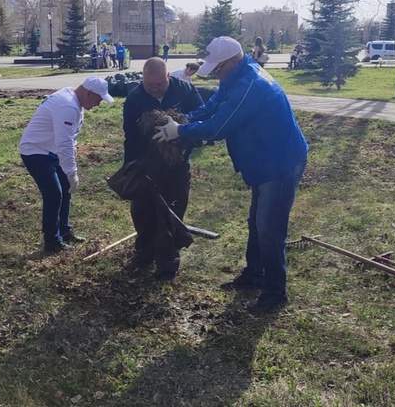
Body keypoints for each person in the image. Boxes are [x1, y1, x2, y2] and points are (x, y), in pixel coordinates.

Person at [154, 36, 308, 313]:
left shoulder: (251, 85)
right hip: (262, 161)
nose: (215, 73)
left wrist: (180, 131)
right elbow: (213, 107)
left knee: (269, 229)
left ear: (233, 60)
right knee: (256, 222)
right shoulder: (234, 77)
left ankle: (275, 293)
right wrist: (186, 119)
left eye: (218, 68)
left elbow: (218, 126)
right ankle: (254, 275)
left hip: (280, 162)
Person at [123, 57, 203, 282]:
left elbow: (202, 116)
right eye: (149, 84)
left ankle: (167, 265)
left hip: (176, 164)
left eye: (159, 83)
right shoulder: (135, 98)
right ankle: (144, 253)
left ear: (169, 77)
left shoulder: (185, 90)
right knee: (143, 211)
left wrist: (186, 138)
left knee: (172, 213)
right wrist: (132, 166)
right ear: (143, 79)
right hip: (146, 162)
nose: (154, 88)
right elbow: (130, 135)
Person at [20, 76, 114, 252]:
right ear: (88, 93)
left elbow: (71, 139)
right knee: (54, 195)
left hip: (52, 150)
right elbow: (64, 143)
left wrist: (69, 171)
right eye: (97, 99)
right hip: (36, 152)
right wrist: (72, 172)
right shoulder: (67, 106)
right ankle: (52, 242)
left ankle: (65, 231)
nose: (98, 104)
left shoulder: (76, 101)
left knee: (66, 191)